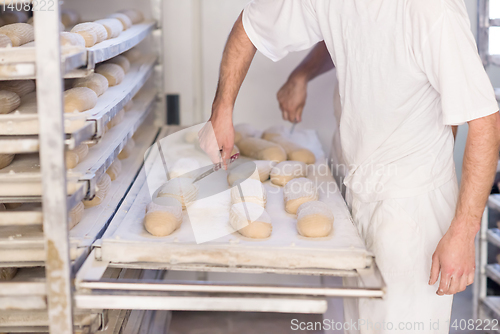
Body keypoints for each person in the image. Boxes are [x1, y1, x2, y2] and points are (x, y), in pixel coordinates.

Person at [199, 0, 500, 333]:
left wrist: (463, 230)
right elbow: (253, 27)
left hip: (411, 206)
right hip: (350, 182)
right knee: (343, 324)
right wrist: (222, 111)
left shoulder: (432, 12)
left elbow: (485, 121)